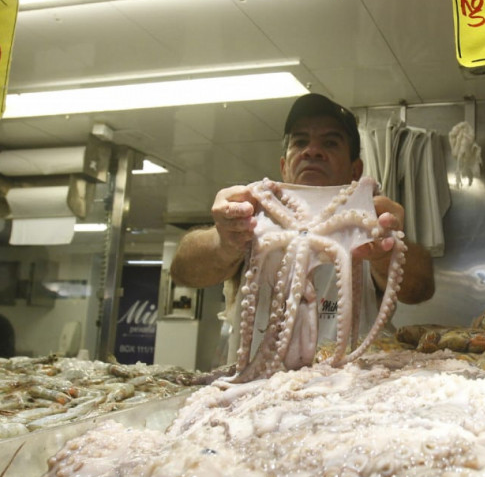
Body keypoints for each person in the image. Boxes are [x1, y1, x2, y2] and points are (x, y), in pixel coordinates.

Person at [170, 93, 435, 360]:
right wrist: (223, 243)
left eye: (330, 143)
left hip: (348, 394)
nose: (312, 150)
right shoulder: (254, 221)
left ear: (356, 170)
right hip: (258, 395)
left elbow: (421, 288)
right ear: (284, 166)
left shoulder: (367, 225)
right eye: (300, 142)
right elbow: (183, 271)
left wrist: (386, 252)